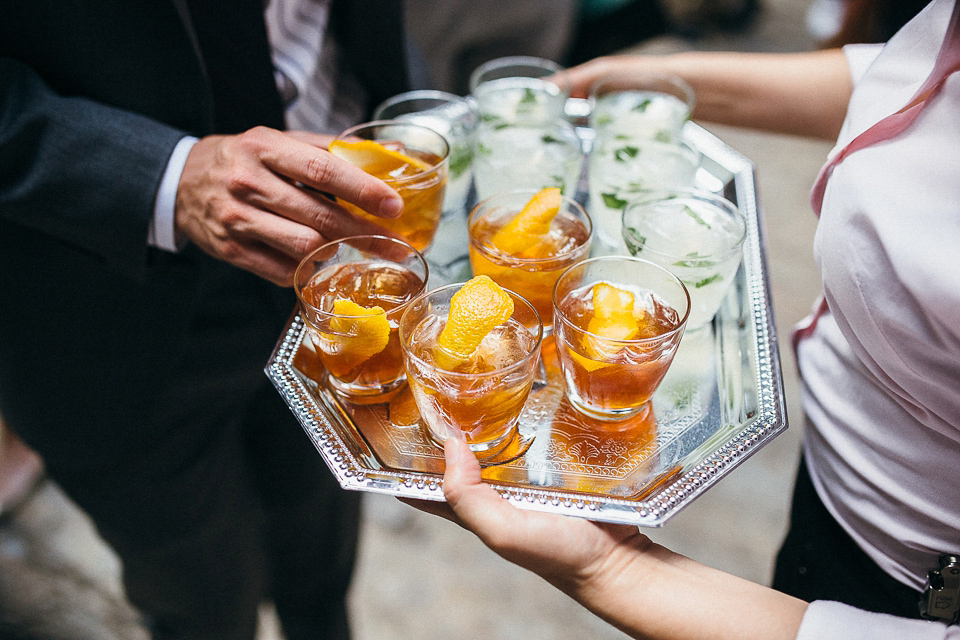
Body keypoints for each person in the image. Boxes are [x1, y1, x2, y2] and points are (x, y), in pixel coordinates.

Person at [409, 0, 960, 636]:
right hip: (839, 480)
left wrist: (612, 570)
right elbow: (908, 82)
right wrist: (648, 80)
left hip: (917, 573)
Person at [0, 1, 414, 638]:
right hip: (98, 297)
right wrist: (163, 175)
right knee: (201, 603)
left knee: (322, 546)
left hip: (332, 244)